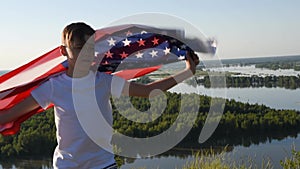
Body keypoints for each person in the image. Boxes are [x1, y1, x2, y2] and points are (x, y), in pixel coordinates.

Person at [0, 22, 199, 169]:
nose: (86, 54)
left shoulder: (102, 81)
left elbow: (148, 92)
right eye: (79, 48)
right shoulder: (54, 87)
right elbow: (10, 115)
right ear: (63, 51)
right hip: (68, 165)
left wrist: (187, 72)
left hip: (102, 164)